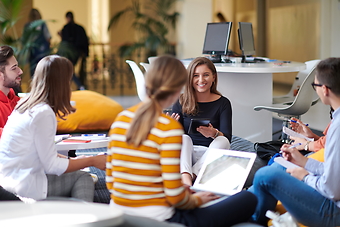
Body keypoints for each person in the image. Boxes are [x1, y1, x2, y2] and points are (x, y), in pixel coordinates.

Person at [106, 55, 256, 227]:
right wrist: (196, 200)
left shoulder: (120, 118)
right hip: (162, 218)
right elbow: (176, 197)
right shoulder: (169, 127)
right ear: (179, 88)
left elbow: (110, 181)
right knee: (248, 198)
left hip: (119, 214)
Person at [0, 55, 106, 202]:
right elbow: (51, 165)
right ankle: (83, 222)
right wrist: (92, 161)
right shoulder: (43, 113)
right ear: (62, 83)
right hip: (21, 185)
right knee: (83, 178)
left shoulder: (25, 104)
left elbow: (42, 153)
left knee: (77, 173)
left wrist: (77, 160)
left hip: (5, 179)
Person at [250, 57, 340, 227]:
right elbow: (334, 171)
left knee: (265, 175)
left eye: (315, 86)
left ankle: (250, 219)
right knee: (279, 166)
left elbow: (332, 189)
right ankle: (244, 202)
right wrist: (303, 161)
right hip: (332, 201)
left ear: (325, 90)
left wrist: (305, 176)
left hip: (332, 211)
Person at [171, 57, 232, 186]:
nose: (201, 80)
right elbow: (175, 142)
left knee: (223, 140)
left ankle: (191, 175)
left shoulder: (223, 103)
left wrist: (214, 133)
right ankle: (187, 179)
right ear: (190, 79)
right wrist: (170, 128)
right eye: (196, 76)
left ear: (213, 77)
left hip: (210, 154)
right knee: (184, 138)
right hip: (187, 155)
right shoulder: (180, 101)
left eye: (206, 75)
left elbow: (227, 138)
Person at [57, 11, 89, 90]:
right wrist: (85, 53)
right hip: (76, 54)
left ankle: (79, 86)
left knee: (68, 70)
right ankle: (77, 86)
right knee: (69, 70)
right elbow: (85, 42)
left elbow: (65, 41)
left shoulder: (66, 28)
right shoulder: (80, 28)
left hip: (68, 54)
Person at [22, 8, 51, 78]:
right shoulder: (42, 24)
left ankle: (35, 86)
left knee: (33, 71)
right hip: (43, 52)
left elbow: (24, 40)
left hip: (32, 52)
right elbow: (48, 37)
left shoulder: (27, 26)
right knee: (43, 70)